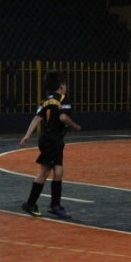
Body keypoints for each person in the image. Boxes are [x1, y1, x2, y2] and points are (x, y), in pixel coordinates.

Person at [19, 71, 82, 219]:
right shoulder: (63, 99)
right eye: (64, 84)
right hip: (53, 140)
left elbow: (36, 118)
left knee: (58, 171)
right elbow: (63, 117)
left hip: (47, 139)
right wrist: (75, 125)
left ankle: (54, 205)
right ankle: (31, 203)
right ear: (61, 86)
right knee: (45, 171)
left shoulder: (46, 101)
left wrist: (27, 135)